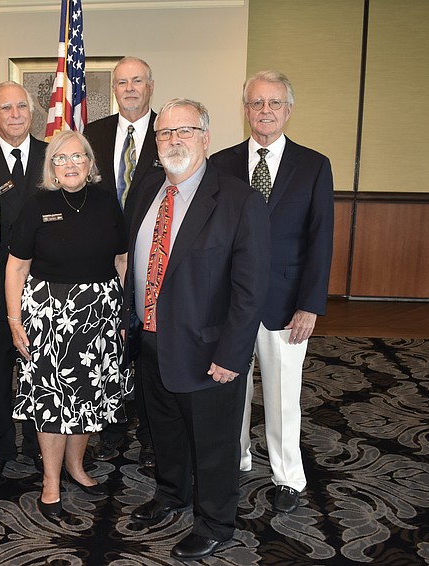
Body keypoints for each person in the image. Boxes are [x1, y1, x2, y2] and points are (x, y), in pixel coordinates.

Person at [125, 99, 269, 561]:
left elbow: (250, 290)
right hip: (150, 341)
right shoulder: (147, 186)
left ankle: (215, 522)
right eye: (165, 133)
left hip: (209, 352)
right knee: (164, 432)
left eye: (185, 131)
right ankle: (172, 494)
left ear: (206, 138)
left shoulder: (238, 200)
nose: (174, 141)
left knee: (213, 444)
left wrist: (232, 354)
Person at [210, 70, 334, 514]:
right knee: (231, 390)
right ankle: (237, 457)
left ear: (288, 109)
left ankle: (287, 476)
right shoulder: (221, 164)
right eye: (257, 103)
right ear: (245, 110)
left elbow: (321, 240)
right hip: (229, 305)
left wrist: (310, 306)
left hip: (287, 306)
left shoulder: (314, 165)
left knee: (283, 395)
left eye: (274, 103)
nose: (265, 111)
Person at [6, 130, 130, 522]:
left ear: (91, 164)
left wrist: (122, 312)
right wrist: (14, 319)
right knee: (51, 400)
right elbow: (16, 267)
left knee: (89, 396)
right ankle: (51, 479)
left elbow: (123, 259)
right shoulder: (36, 204)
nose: (71, 164)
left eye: (78, 157)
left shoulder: (108, 202)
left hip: (99, 312)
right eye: (61, 158)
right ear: (52, 167)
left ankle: (76, 466)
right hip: (48, 313)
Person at [83, 56, 158, 466]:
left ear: (150, 86)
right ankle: (110, 430)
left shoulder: (169, 131)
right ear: (114, 89)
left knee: (147, 346)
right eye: (122, 82)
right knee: (106, 347)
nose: (129, 88)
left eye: (137, 81)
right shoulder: (94, 133)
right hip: (102, 260)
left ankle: (149, 434)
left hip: (153, 259)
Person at [0, 81, 47, 479]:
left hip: (46, 284)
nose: (15, 114)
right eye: (6, 107)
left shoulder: (54, 155)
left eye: (21, 106)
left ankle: (39, 444)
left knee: (41, 370)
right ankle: (0, 444)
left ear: (31, 112)